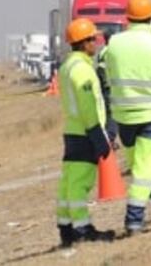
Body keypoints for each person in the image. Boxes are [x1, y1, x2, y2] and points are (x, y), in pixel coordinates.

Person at [103, 0, 151, 234]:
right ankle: (134, 218)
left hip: (124, 115)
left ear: (128, 18)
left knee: (139, 167)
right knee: (144, 169)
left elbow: (108, 75)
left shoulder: (114, 43)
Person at [55, 18, 115, 247]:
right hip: (84, 131)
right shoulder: (81, 69)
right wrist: (97, 134)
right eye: (93, 39)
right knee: (80, 183)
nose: (97, 42)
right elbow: (87, 104)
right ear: (83, 42)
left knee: (68, 182)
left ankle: (65, 227)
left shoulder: (67, 65)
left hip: (72, 130)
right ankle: (83, 229)